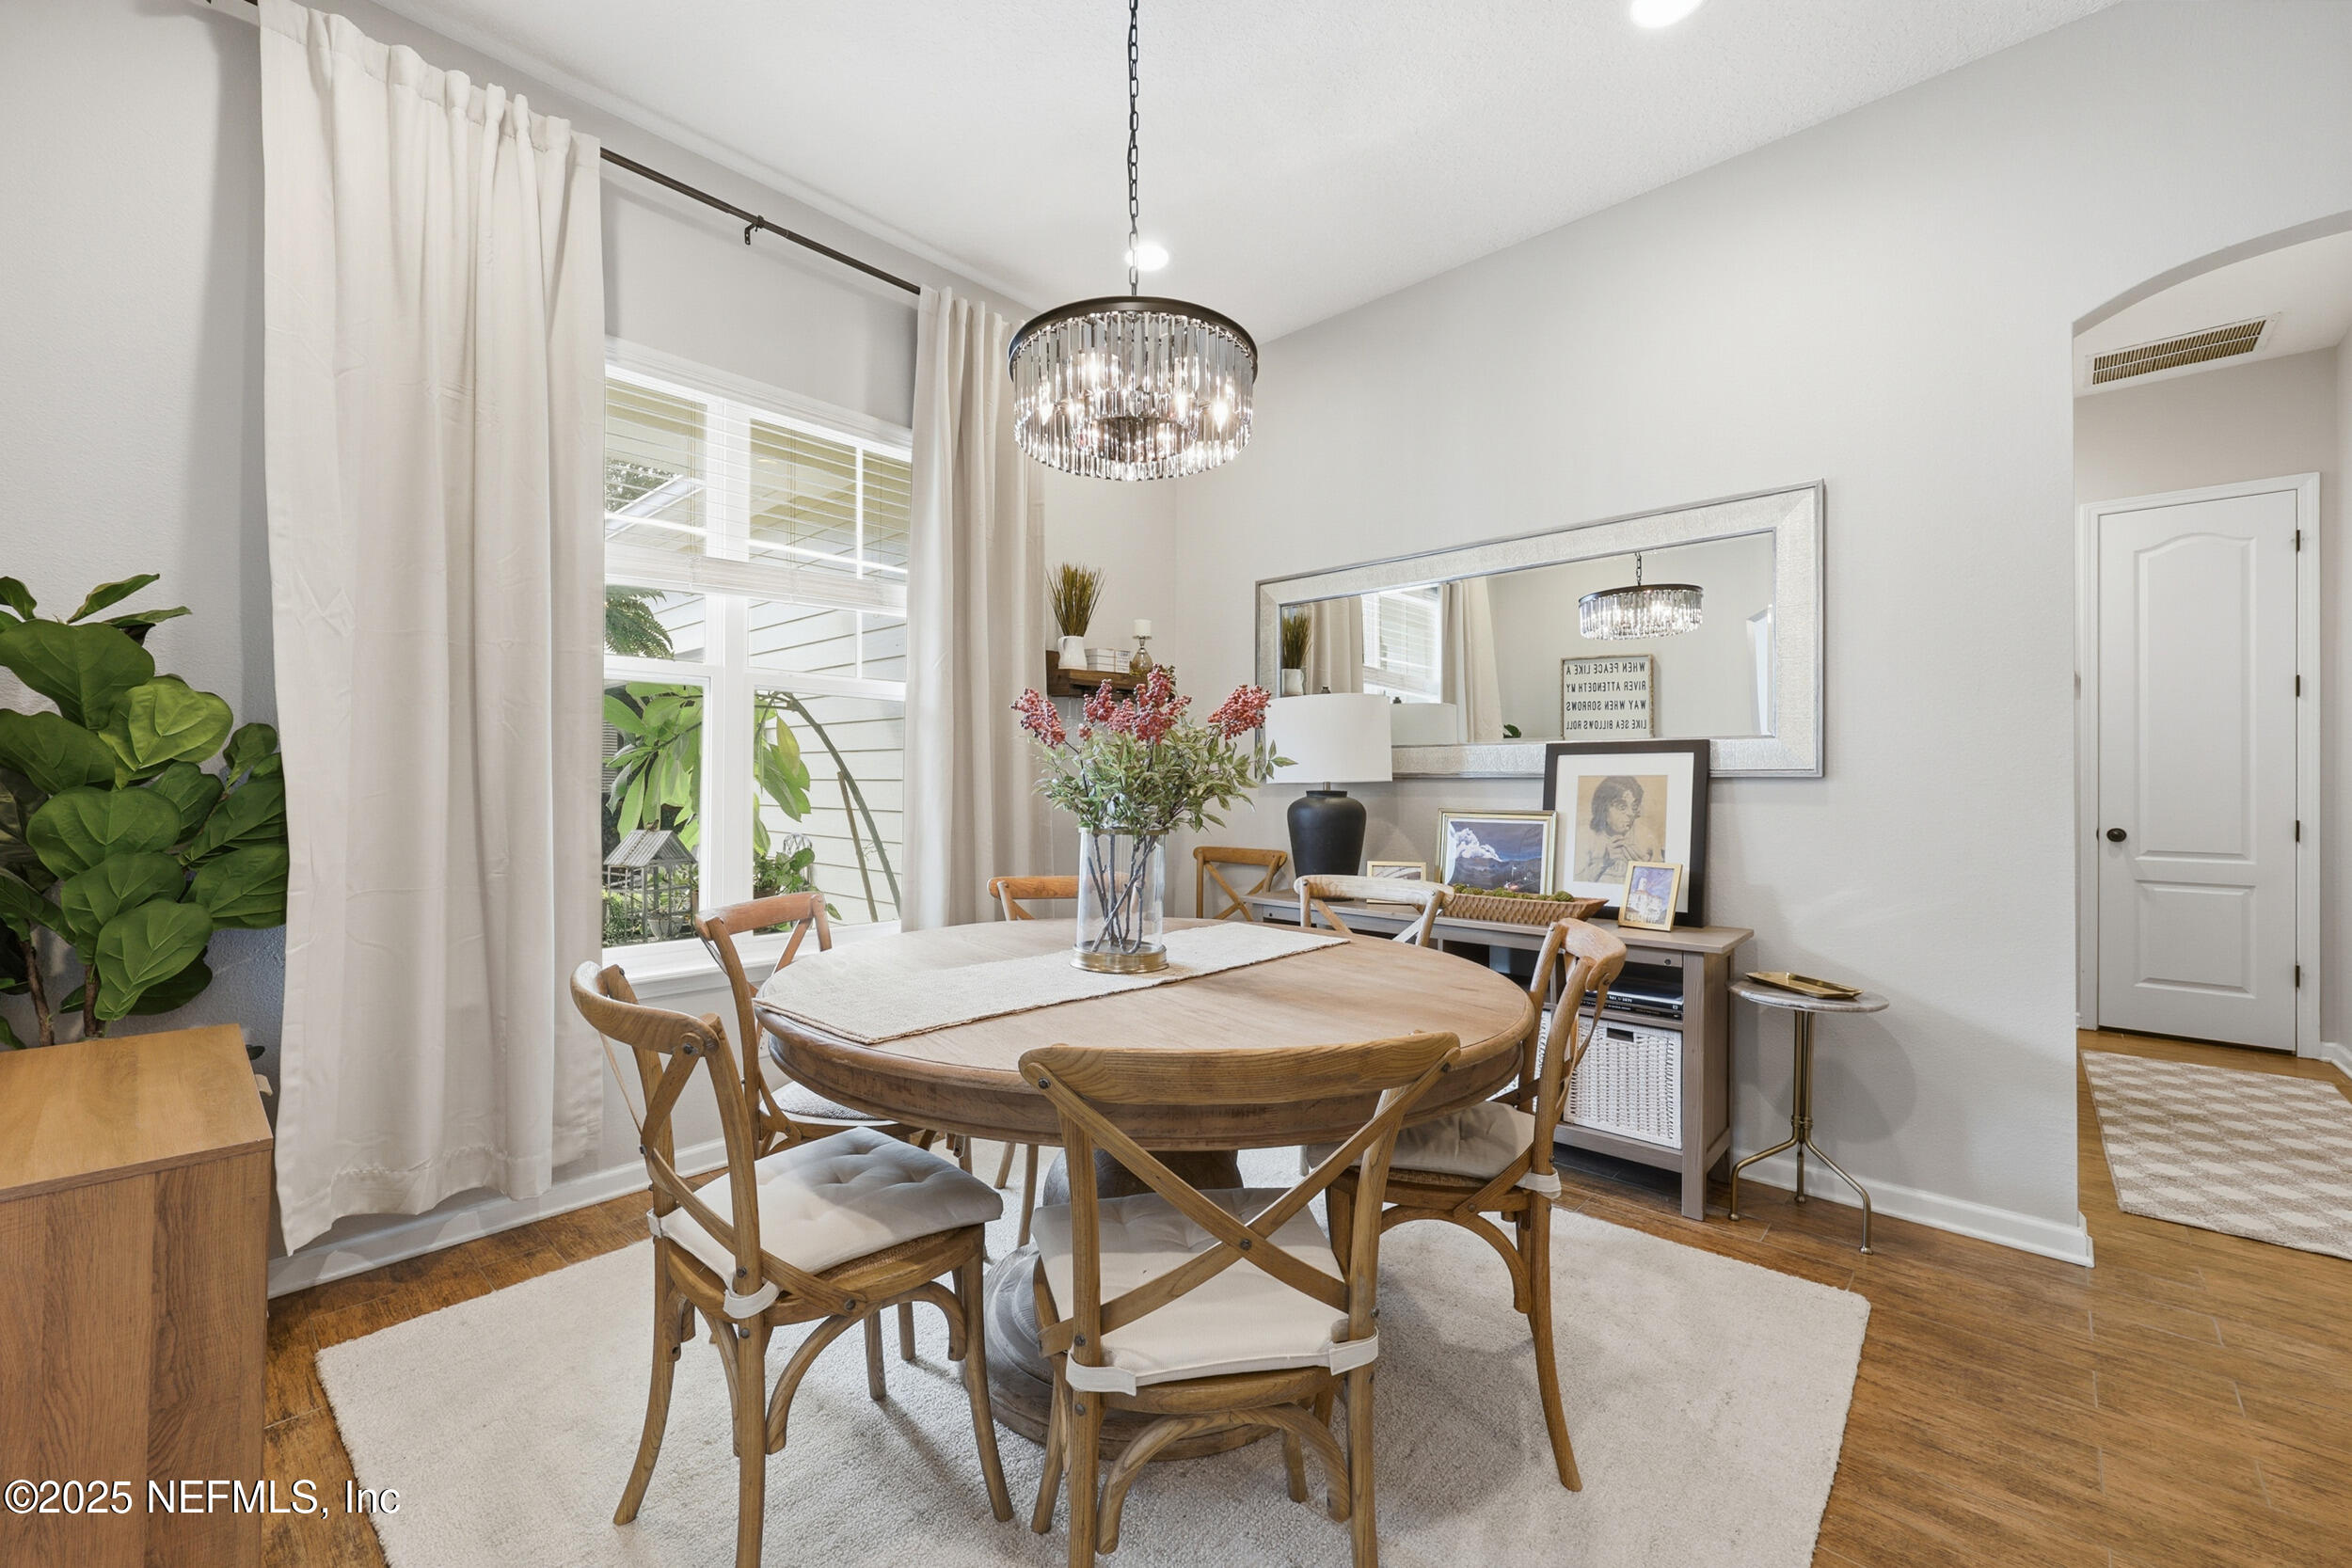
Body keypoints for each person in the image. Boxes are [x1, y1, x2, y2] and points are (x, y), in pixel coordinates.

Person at [1579, 775, 1647, 883]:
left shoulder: (1646, 838)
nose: (1631, 813)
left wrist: (1644, 869)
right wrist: (1603, 863)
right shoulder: (1585, 836)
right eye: (1622, 807)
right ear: (1603, 809)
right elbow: (1574, 884)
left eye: (1634, 807)